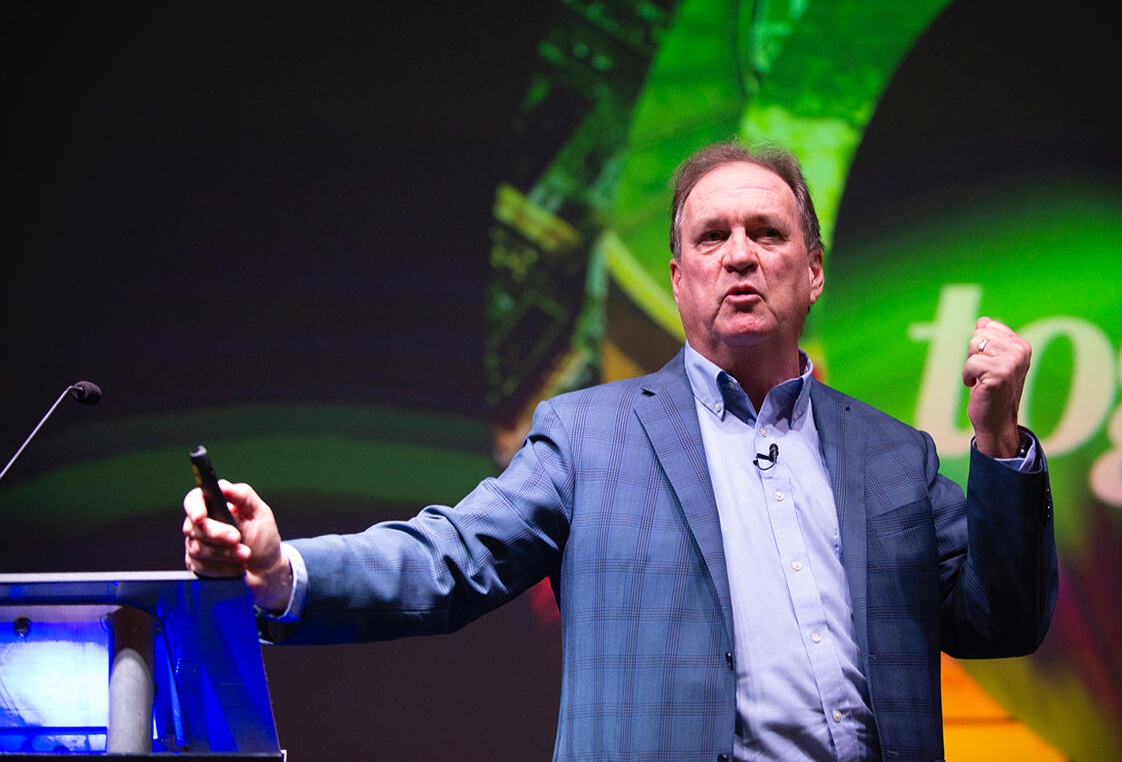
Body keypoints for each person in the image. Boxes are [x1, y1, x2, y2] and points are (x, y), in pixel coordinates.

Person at [184, 141, 1056, 762]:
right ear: (678, 280)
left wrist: (998, 440)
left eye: (767, 233)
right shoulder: (588, 435)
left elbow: (1001, 622)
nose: (740, 256)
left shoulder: (895, 455)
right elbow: (451, 558)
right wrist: (281, 568)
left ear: (815, 270)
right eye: (711, 237)